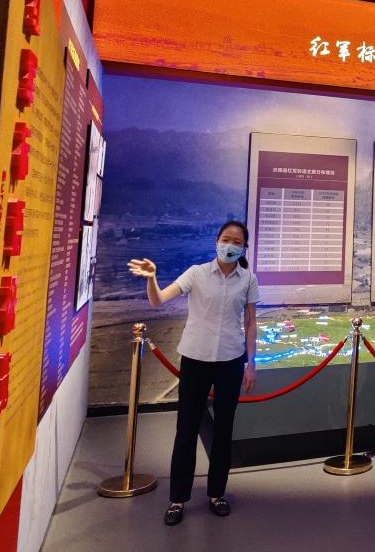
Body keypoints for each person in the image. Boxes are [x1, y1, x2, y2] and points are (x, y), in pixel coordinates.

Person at [127, 221, 258, 526]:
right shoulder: (196, 273)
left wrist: (252, 364)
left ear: (244, 248)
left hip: (230, 360)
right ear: (216, 241)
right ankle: (178, 498)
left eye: (237, 241)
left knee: (224, 430)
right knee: (186, 429)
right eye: (226, 239)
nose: (230, 245)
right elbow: (158, 300)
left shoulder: (248, 279)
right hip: (195, 359)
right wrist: (152, 278)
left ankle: (217, 493)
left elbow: (251, 323)